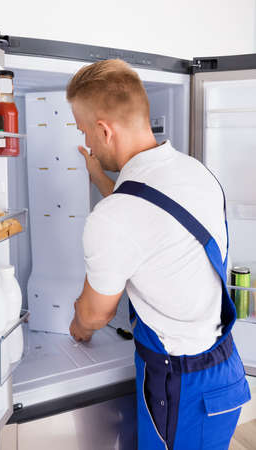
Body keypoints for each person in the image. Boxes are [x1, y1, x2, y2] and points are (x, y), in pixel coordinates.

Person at [66, 59, 251, 449]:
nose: (90, 145)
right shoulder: (196, 172)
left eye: (86, 133)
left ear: (103, 130)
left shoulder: (113, 219)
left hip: (181, 386)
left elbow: (95, 314)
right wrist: (98, 176)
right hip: (222, 370)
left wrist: (78, 328)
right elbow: (150, 222)